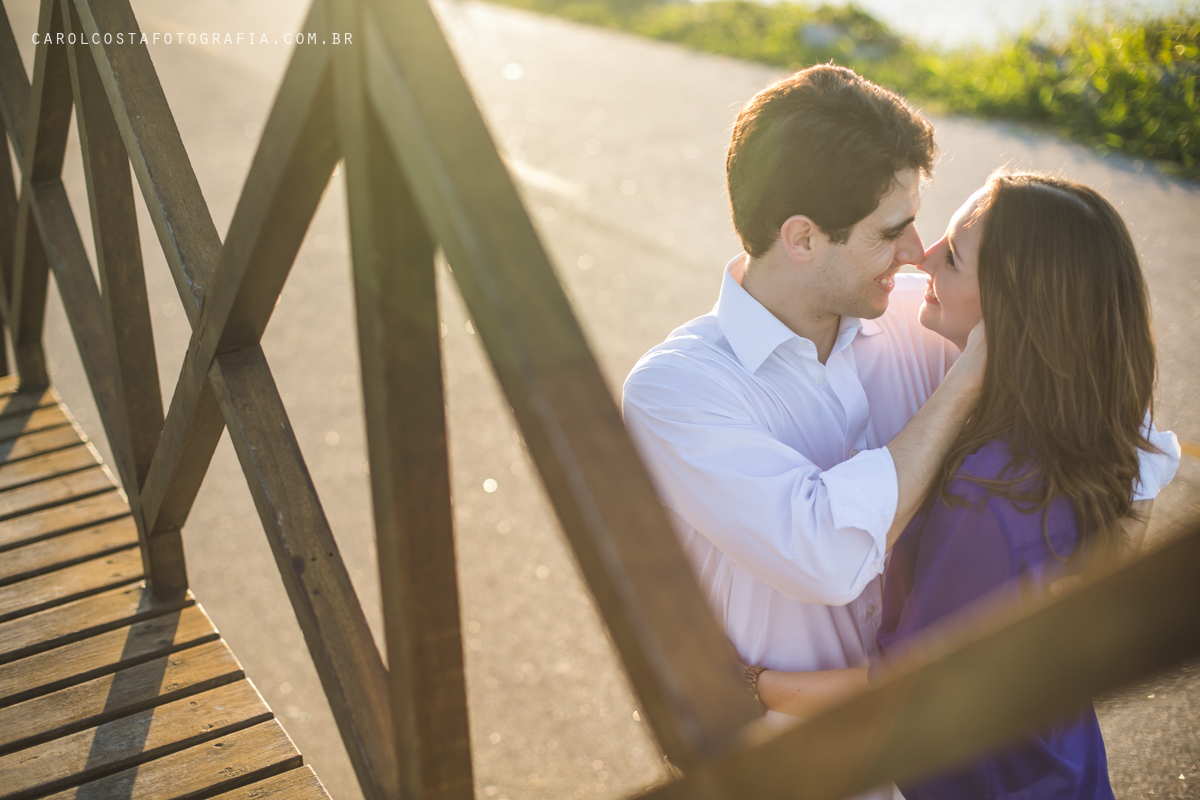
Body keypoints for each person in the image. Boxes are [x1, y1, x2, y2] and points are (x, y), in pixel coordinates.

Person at [621, 65, 1179, 800]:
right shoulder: (679, 391)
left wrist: (1080, 557)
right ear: (802, 238)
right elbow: (827, 554)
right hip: (790, 774)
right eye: (891, 231)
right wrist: (962, 387)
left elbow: (1110, 421)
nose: (917, 251)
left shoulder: (922, 309)